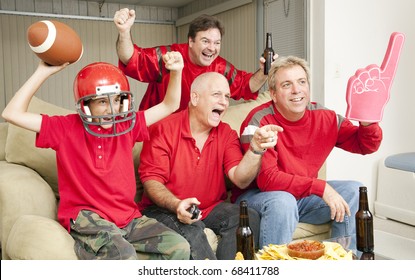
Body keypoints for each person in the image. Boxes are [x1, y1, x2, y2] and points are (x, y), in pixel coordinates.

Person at [1, 52, 191, 260]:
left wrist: (177, 71)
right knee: (123, 254)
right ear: (85, 104)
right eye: (102, 102)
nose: (112, 109)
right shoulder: (64, 127)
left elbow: (169, 105)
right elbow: (11, 113)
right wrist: (42, 72)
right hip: (86, 216)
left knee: (179, 246)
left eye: (117, 100)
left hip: (127, 217)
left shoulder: (127, 124)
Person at [232, 56, 383, 248]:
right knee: (283, 201)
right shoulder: (258, 122)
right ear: (273, 93)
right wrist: (321, 188)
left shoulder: (324, 116)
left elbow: (365, 145)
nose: (296, 90)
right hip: (257, 198)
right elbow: (268, 180)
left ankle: (344, 259)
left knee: (354, 190)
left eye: (301, 82)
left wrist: (367, 118)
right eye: (286, 84)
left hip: (300, 197)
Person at [137, 71, 283, 260]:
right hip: (165, 209)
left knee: (247, 217)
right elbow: (152, 183)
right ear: (195, 98)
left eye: (227, 97)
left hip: (210, 207)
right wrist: (177, 205)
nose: (224, 102)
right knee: (193, 230)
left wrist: (255, 150)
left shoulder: (226, 133)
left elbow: (240, 179)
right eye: (217, 95)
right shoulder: (163, 129)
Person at [114, 8, 275, 111]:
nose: (212, 48)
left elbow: (246, 86)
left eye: (217, 43)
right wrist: (124, 32)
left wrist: (264, 71)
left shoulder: (220, 67)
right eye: (205, 41)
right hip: (156, 133)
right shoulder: (168, 56)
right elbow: (130, 58)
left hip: (195, 137)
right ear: (190, 41)